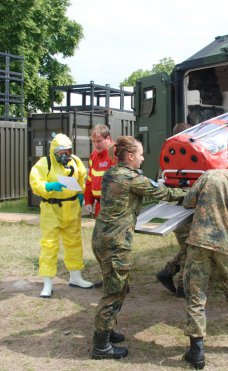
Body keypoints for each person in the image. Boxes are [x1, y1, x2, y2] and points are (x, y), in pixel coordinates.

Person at [91, 136, 187, 360]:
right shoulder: (133, 179)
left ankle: (108, 330)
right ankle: (101, 346)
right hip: (116, 242)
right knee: (113, 292)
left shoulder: (111, 173)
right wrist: (190, 192)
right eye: (141, 154)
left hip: (101, 238)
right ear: (131, 156)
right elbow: (165, 194)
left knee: (116, 286)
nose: (144, 158)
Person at [182, 148, 228, 370]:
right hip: (227, 246)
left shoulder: (210, 175)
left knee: (196, 296)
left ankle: (197, 353)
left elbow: (188, 201)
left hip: (200, 243)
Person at [29, 133, 93, 298]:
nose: (65, 155)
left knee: (74, 243)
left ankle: (76, 277)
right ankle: (48, 284)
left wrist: (81, 193)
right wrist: (49, 186)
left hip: (72, 207)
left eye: (68, 151)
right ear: (54, 152)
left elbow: (82, 178)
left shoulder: (76, 161)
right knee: (49, 245)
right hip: (52, 210)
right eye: (61, 153)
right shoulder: (44, 163)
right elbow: (36, 182)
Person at [156, 122, 193, 298]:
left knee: (188, 246)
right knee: (190, 247)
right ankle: (183, 287)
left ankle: (168, 272)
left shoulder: (167, 156)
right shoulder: (187, 157)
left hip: (176, 207)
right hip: (185, 206)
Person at [84, 124, 115, 218]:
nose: (96, 144)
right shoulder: (93, 156)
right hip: (100, 206)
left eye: (99, 141)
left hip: (113, 206)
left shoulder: (115, 154)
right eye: (93, 141)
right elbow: (90, 180)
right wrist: (88, 200)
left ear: (108, 138)